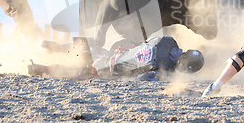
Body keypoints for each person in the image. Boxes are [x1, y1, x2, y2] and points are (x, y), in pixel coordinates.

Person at [33, 36, 204, 81]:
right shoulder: (165, 70)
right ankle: (42, 68)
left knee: (86, 46)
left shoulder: (168, 40)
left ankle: (55, 46)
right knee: (80, 72)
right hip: (110, 68)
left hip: (114, 54)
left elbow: (144, 43)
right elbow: (140, 79)